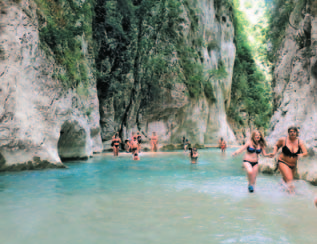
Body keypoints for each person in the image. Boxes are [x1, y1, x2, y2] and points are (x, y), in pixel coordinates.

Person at [270, 126, 308, 194]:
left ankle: (282, 193)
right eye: (290, 132)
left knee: (287, 181)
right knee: (290, 182)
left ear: (296, 133)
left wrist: (301, 155)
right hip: (283, 162)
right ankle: (292, 197)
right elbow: (277, 146)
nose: (292, 133)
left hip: (293, 165)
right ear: (288, 133)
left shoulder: (299, 142)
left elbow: (305, 152)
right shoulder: (283, 140)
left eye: (294, 132)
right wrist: (274, 152)